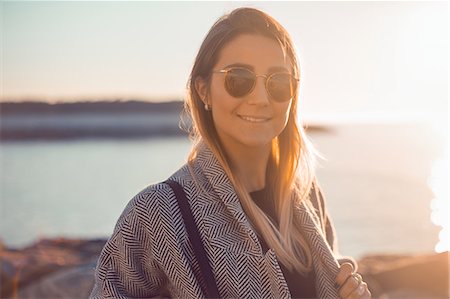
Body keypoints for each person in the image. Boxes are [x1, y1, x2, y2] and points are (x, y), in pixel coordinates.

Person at [90, 7, 371, 299]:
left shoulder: (306, 195)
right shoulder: (156, 212)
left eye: (277, 82)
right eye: (239, 78)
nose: (261, 99)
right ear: (203, 90)